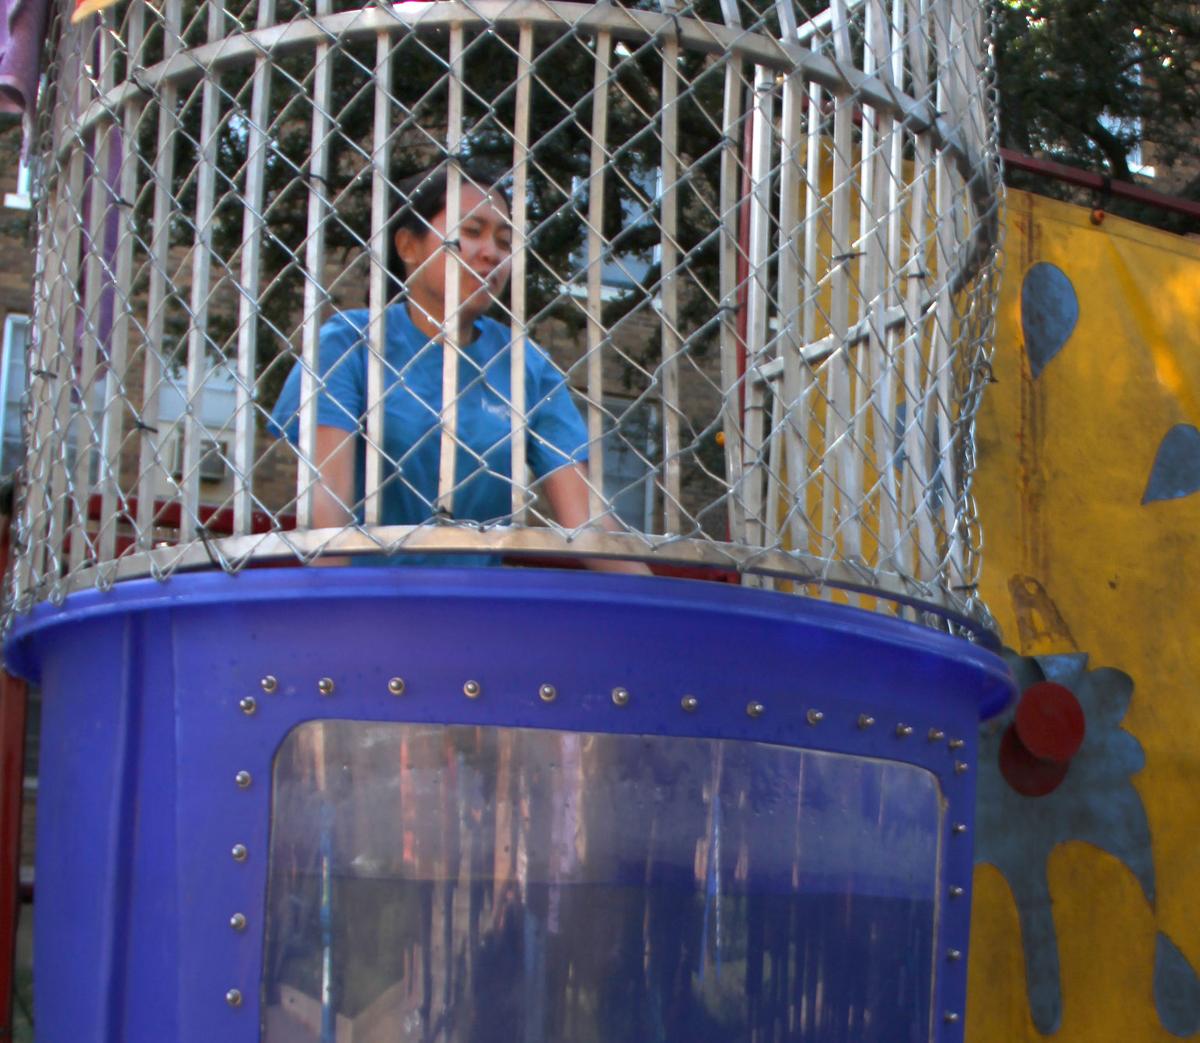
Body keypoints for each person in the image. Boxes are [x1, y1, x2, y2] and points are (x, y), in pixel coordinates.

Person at [270, 163, 648, 574]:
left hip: (474, 605)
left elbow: (586, 519)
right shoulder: (351, 344)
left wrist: (661, 613)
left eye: (505, 241)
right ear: (408, 246)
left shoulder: (524, 364)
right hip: (366, 601)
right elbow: (328, 514)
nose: (492, 253)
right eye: (471, 232)